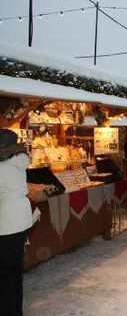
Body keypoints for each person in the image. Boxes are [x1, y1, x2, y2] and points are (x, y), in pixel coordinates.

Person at [0, 129, 35, 316]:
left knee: (5, 271)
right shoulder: (17, 162)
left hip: (6, 222)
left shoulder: (3, 167)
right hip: (18, 221)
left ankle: (8, 310)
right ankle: (14, 309)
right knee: (14, 269)